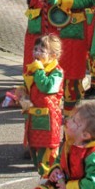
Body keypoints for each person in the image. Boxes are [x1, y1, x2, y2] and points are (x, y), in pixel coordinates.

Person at [18, 34, 64, 177]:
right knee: (35, 154)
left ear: (53, 55)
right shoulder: (33, 68)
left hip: (48, 121)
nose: (36, 53)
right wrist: (21, 94)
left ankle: (50, 182)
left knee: (48, 157)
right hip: (33, 118)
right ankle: (43, 178)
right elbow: (29, 88)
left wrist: (38, 70)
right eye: (35, 49)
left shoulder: (57, 72)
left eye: (41, 51)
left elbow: (47, 87)